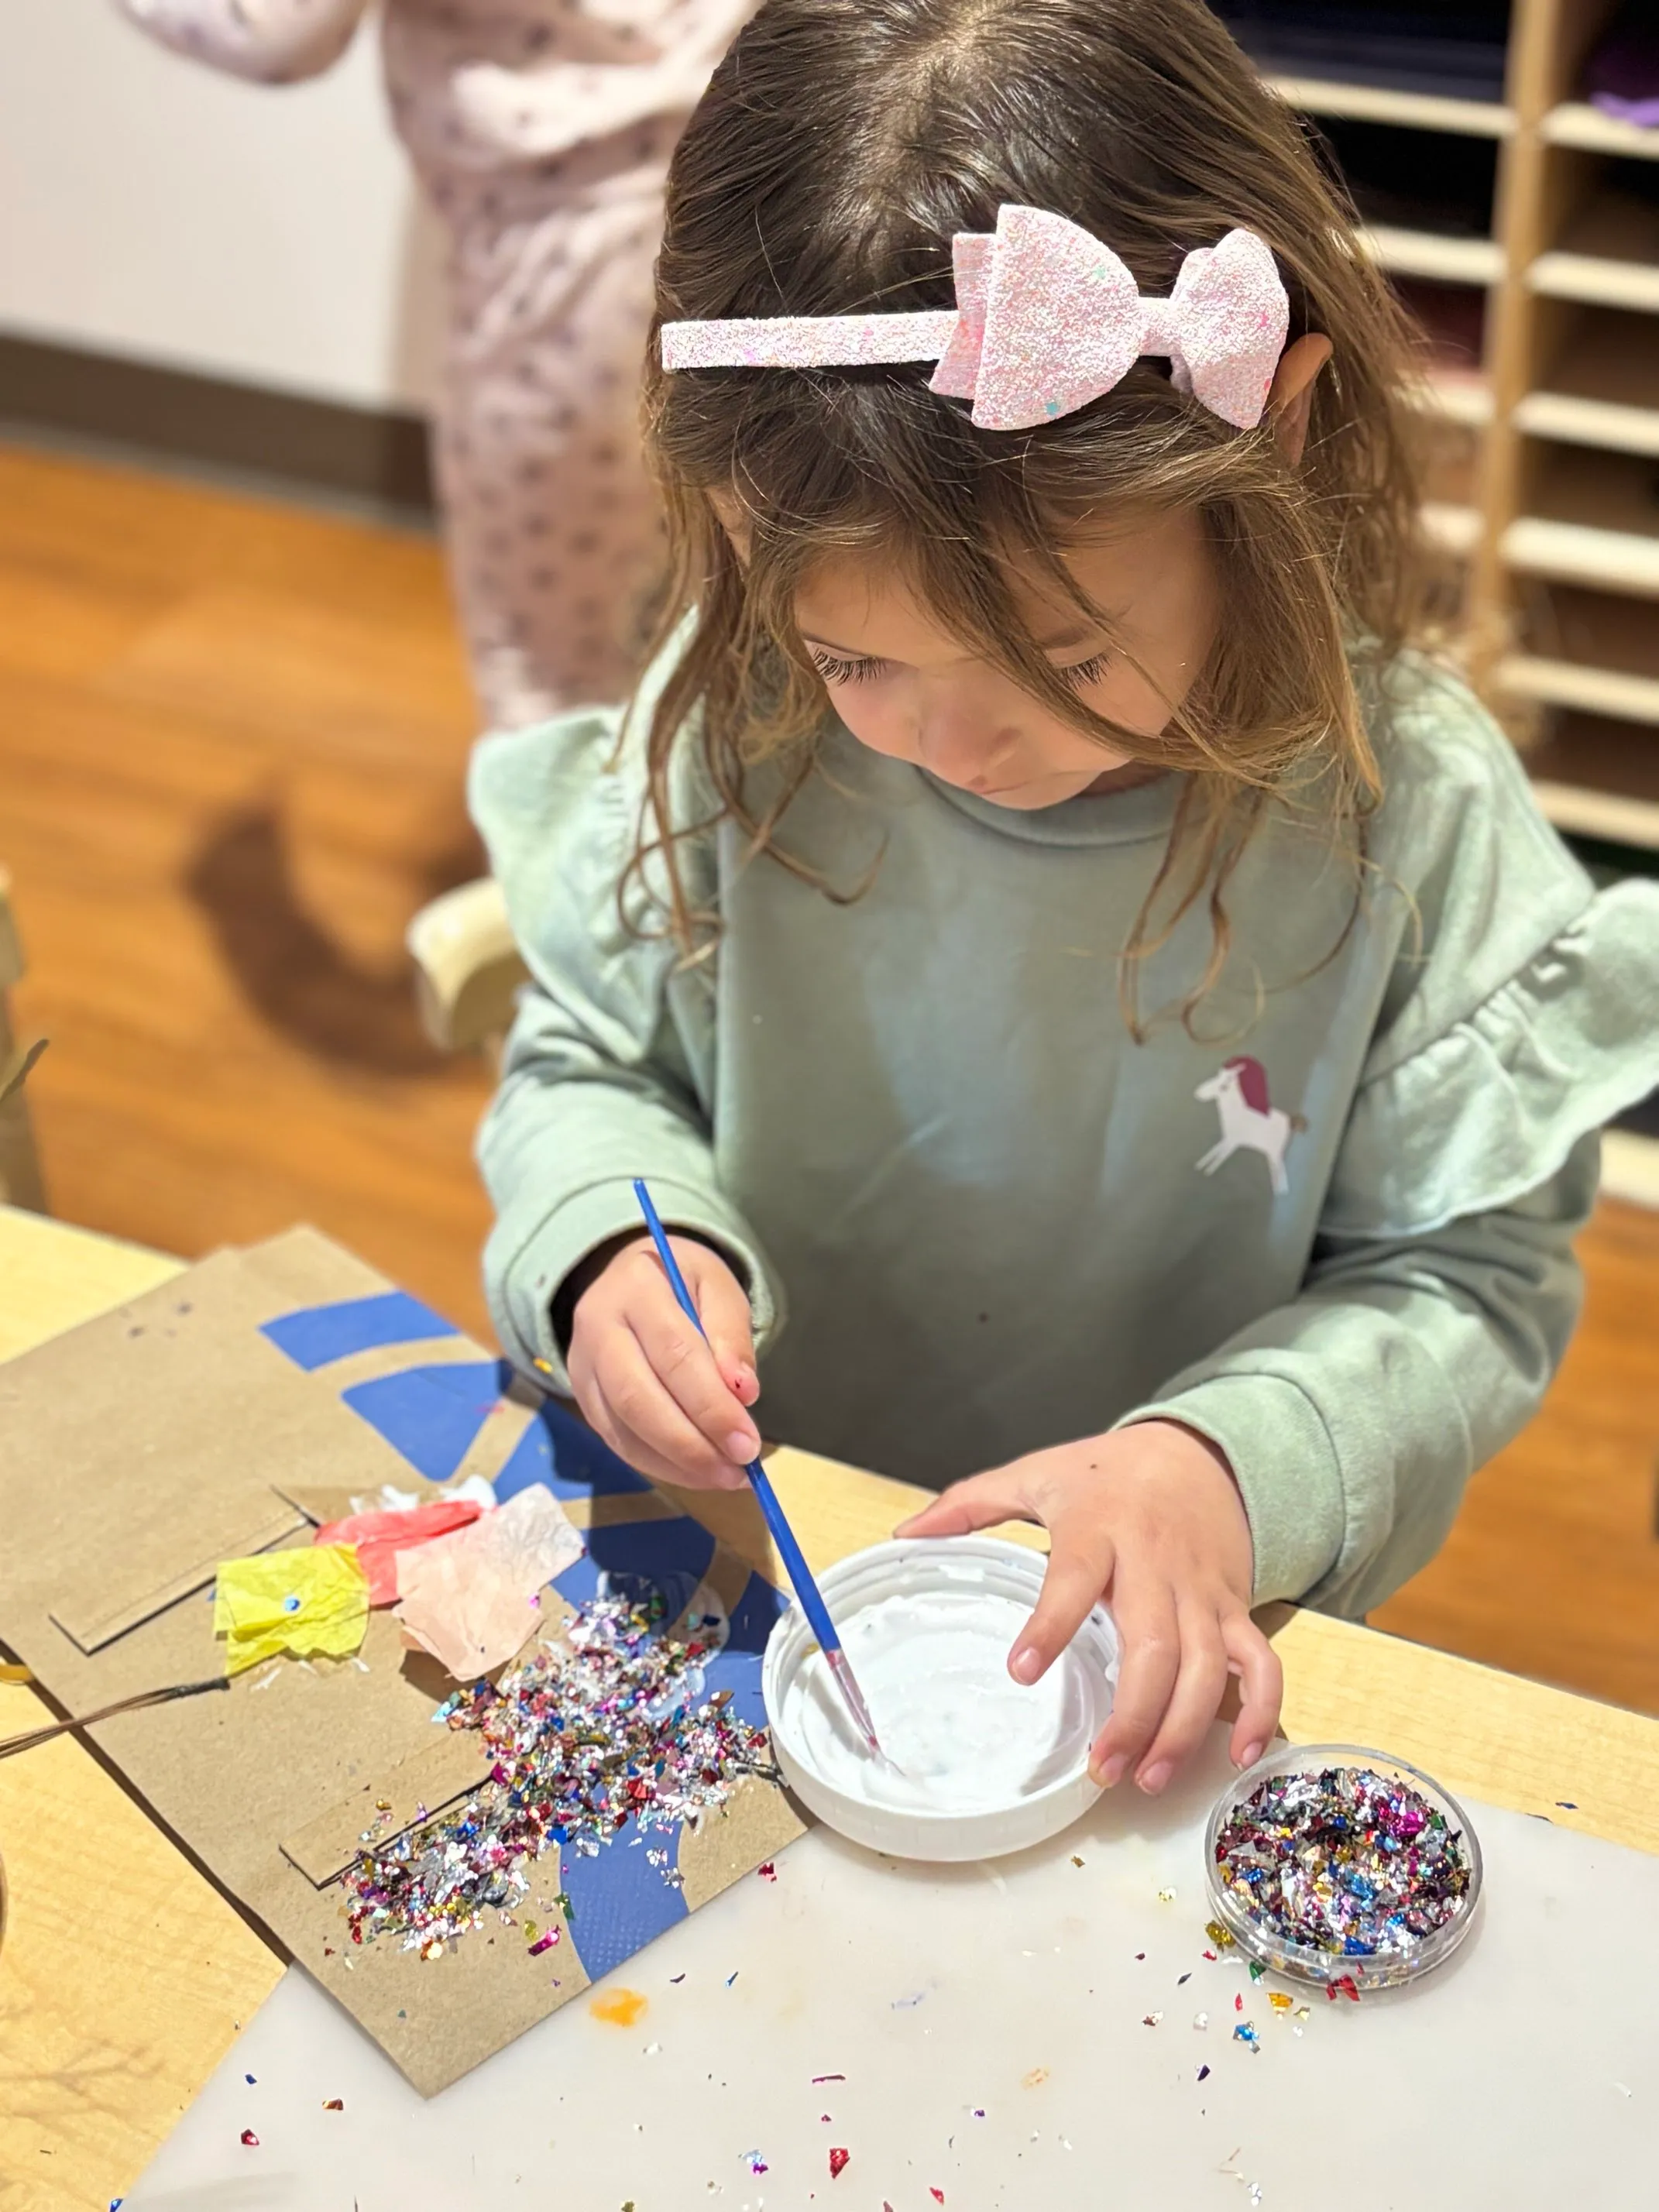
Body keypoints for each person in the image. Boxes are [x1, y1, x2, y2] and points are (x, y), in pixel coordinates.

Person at [469, 0, 1659, 1795]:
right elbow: (590, 1059)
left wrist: (1234, 1464)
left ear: (1272, 430)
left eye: (1068, 651)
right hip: (779, 1567)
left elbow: (1466, 1281)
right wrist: (612, 1239)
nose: (963, 743)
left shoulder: (1408, 814)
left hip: (1166, 1645)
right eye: (863, 658)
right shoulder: (741, 710)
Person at [114, 0, 756, 724]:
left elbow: (270, 34)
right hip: (759, 184)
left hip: (564, 267)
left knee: (548, 667)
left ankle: (597, 821)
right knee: (743, 580)